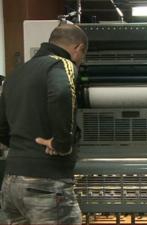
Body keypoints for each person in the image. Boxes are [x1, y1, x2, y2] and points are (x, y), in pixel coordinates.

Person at [0, 24, 87, 224]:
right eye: (83, 56)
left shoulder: (16, 74)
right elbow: (62, 93)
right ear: (78, 48)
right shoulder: (61, 64)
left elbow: (1, 125)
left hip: (12, 184)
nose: (81, 61)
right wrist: (62, 144)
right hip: (45, 183)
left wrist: (26, 148)